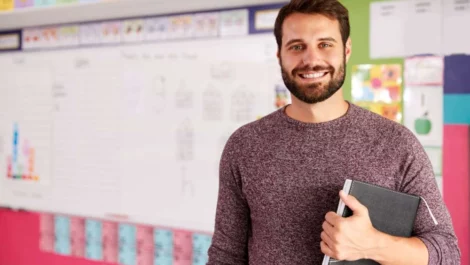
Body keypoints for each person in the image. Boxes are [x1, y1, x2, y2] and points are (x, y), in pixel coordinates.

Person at [207, 0, 461, 264]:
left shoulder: (397, 144)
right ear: (279, 54)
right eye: (296, 46)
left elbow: (447, 253)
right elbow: (227, 254)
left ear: (347, 50)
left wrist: (373, 245)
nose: (311, 59)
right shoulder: (245, 145)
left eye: (325, 44)